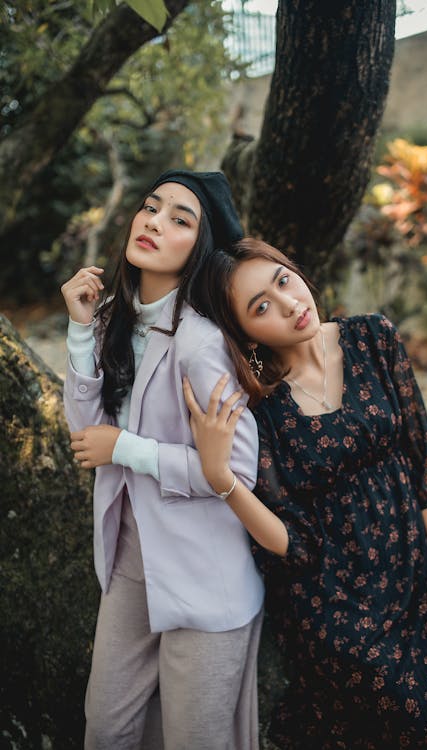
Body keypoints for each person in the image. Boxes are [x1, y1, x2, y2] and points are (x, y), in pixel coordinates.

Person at [183, 237, 427, 750]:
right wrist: (222, 477)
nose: (288, 305)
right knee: (413, 717)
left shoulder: (373, 338)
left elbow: (421, 456)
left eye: (283, 281)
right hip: (337, 601)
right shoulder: (262, 409)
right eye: (260, 306)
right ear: (245, 332)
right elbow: (291, 542)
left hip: (419, 569)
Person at [61, 172, 265, 750]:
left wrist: (127, 449)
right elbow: (85, 437)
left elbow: (235, 473)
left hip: (204, 578)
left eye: (180, 219)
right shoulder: (112, 321)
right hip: (133, 565)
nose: (154, 221)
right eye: (151, 207)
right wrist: (80, 332)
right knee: (105, 728)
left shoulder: (200, 344)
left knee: (194, 740)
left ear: (198, 251)